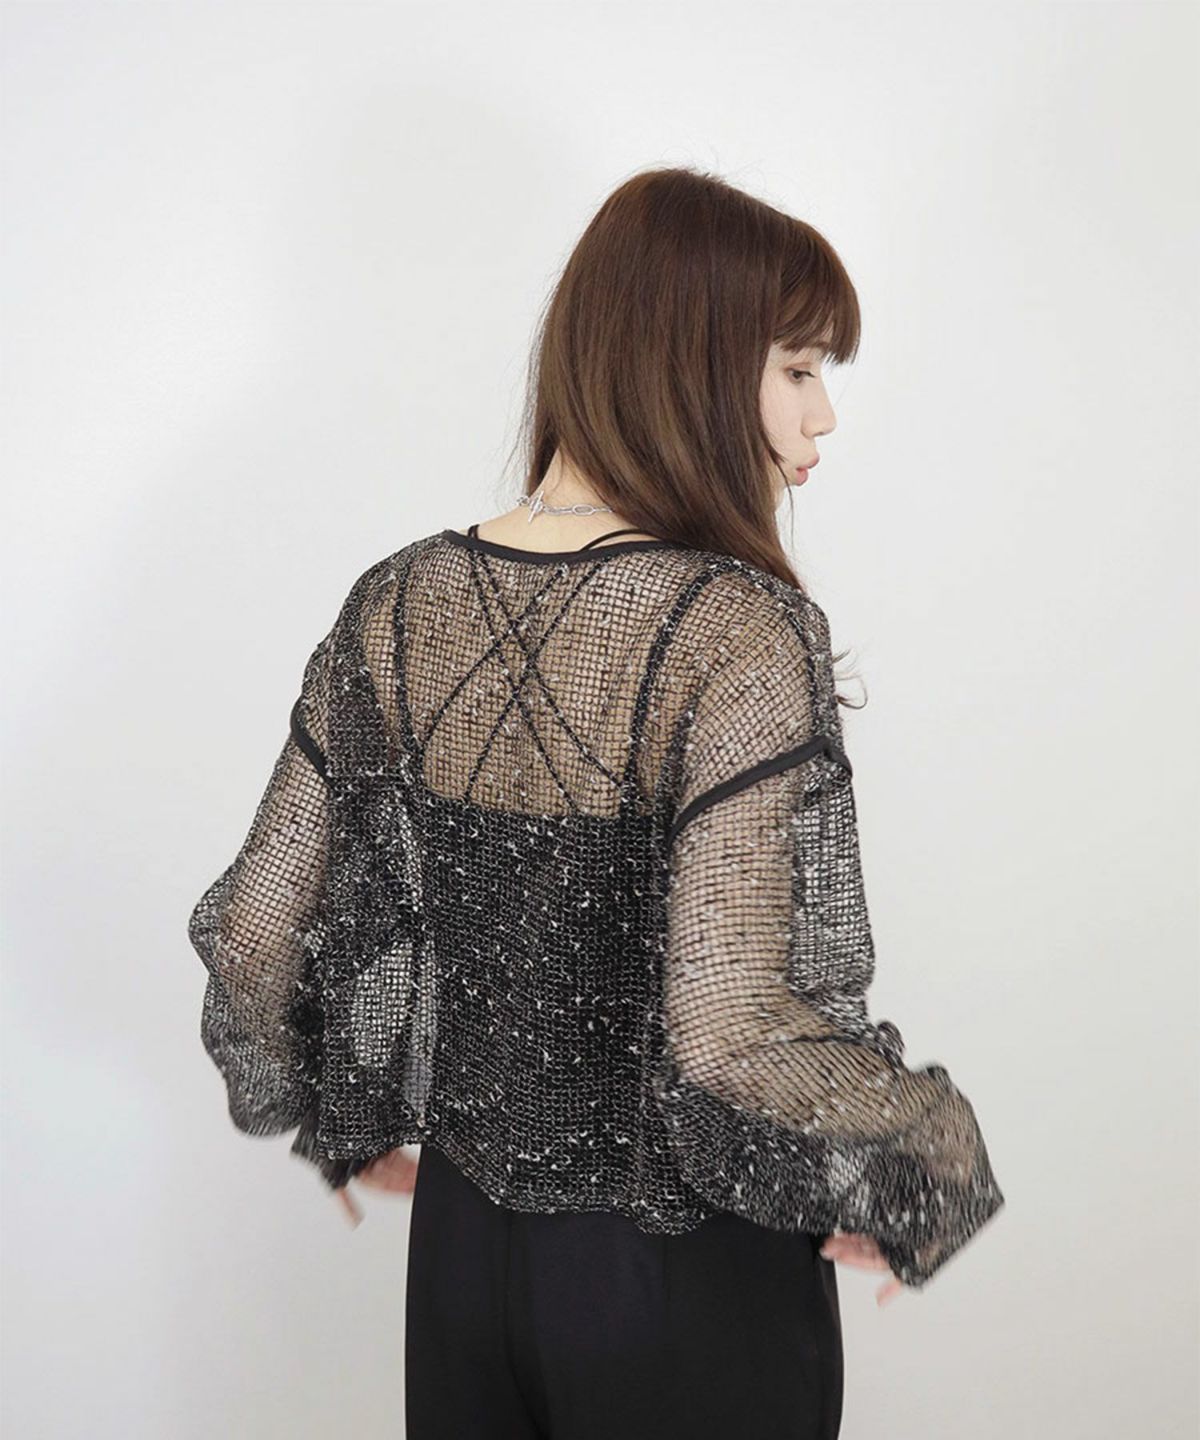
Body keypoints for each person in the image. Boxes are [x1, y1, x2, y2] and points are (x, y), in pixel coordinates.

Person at [187, 165, 1004, 1439]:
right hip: (680, 1283)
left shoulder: (397, 601)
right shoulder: (730, 627)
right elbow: (728, 1028)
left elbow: (253, 932)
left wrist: (340, 1104)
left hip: (461, 1268)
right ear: (694, 360)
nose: (823, 414)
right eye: (797, 368)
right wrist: (931, 1148)